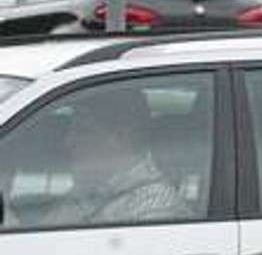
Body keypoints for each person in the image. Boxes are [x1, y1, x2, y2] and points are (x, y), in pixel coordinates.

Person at [37, 87, 189, 227]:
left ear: (120, 137)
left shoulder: (154, 205)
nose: (69, 141)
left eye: (82, 130)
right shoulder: (83, 192)